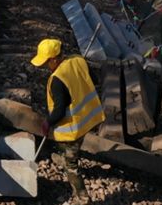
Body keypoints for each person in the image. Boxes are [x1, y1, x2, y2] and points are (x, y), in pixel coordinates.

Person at [31, 39, 104, 205]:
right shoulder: (78, 60)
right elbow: (94, 80)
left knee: (71, 166)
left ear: (55, 59)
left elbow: (59, 110)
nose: (44, 66)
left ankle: (83, 198)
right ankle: (64, 156)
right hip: (89, 118)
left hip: (74, 127)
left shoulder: (57, 79)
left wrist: (47, 123)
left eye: (46, 62)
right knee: (68, 150)